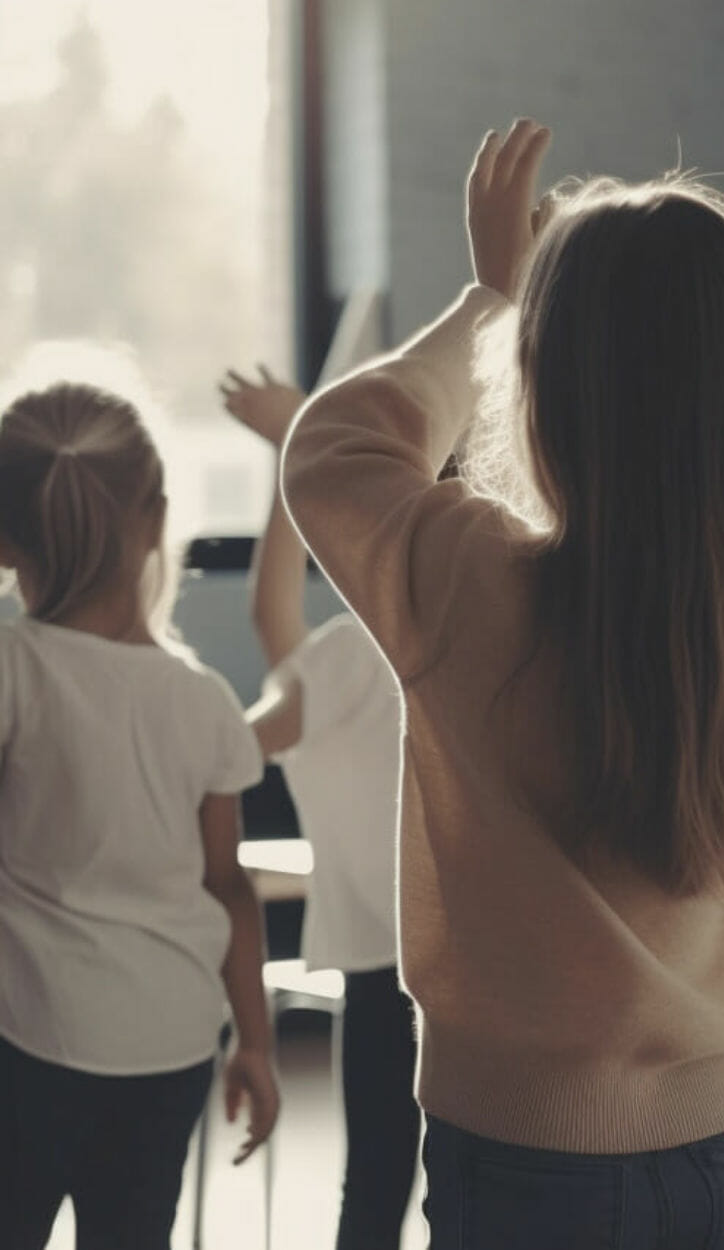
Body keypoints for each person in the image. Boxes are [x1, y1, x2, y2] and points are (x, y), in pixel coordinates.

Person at [280, 120, 724, 1249]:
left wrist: (490, 296)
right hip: (723, 1158)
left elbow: (331, 448)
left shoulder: (475, 588)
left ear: (542, 384)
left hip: (528, 1161)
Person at [0, 378, 278, 1250]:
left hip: (27, 1044)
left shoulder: (12, 669)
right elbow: (228, 886)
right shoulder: (206, 702)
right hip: (168, 1048)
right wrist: (257, 1045)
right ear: (157, 520)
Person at [220, 366, 418, 1250]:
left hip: (388, 970)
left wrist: (291, 454)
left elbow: (238, 734)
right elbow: (276, 625)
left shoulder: (353, 656)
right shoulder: (440, 647)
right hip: (480, 963)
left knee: (372, 1190)